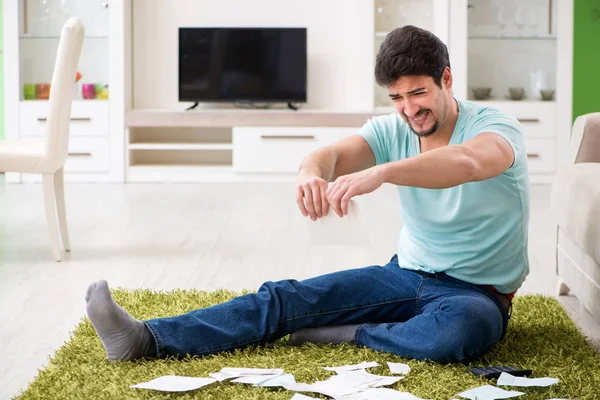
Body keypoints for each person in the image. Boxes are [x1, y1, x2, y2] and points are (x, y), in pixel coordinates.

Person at [85, 25, 529, 364]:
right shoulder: (393, 127)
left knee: (459, 332)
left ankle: (352, 332)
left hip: (477, 294)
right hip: (406, 274)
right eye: (396, 97)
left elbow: (468, 163)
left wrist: (382, 173)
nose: (408, 109)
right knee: (286, 296)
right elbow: (330, 154)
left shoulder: (495, 128)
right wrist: (309, 174)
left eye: (418, 93)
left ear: (446, 79)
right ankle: (147, 338)